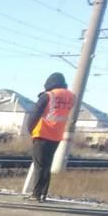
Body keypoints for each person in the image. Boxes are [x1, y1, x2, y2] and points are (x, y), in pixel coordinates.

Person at [25, 72, 75, 202]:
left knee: (39, 166)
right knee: (47, 165)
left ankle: (36, 194)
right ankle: (43, 193)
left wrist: (30, 130)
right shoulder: (71, 97)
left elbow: (34, 115)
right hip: (57, 135)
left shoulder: (48, 95)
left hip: (42, 133)